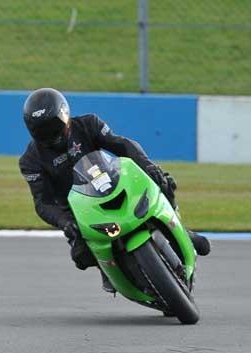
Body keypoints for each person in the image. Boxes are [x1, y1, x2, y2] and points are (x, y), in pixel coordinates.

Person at [18, 88, 210, 292]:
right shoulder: (30, 161)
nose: (52, 137)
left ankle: (179, 228)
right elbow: (43, 203)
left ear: (65, 115)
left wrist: (148, 165)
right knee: (81, 257)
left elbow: (122, 145)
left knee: (164, 182)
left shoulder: (88, 124)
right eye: (44, 133)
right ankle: (109, 269)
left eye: (55, 129)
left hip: (113, 182)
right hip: (79, 210)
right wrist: (65, 222)